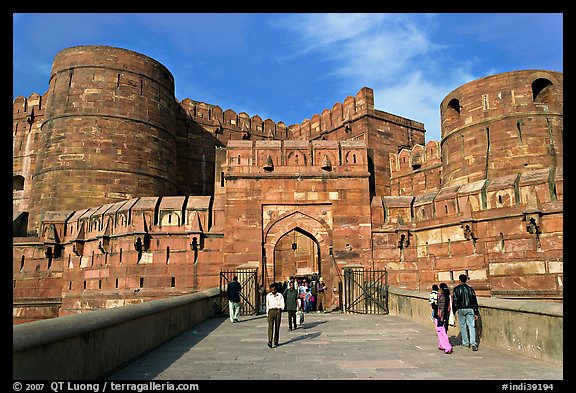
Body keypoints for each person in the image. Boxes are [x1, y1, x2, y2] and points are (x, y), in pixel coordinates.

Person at [452, 274, 480, 351]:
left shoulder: (456, 289)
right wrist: (476, 312)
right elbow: (474, 301)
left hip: (461, 309)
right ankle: (473, 343)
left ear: (459, 280)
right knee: (471, 326)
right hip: (470, 308)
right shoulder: (470, 289)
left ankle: (465, 343)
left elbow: (455, 301)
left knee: (463, 326)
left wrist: (454, 311)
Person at [433, 283, 453, 354]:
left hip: (440, 316)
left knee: (441, 332)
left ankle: (447, 347)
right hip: (445, 316)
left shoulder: (441, 296)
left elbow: (439, 308)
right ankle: (442, 345)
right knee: (442, 331)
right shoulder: (448, 296)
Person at [266, 282, 285, 348]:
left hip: (277, 311)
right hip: (271, 311)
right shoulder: (268, 295)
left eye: (274, 289)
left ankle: (276, 341)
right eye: (272, 289)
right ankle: (270, 341)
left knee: (277, 326)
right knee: (270, 326)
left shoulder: (280, 295)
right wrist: (267, 313)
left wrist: (281, 309)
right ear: (270, 289)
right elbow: (267, 304)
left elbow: (282, 303)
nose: (273, 290)